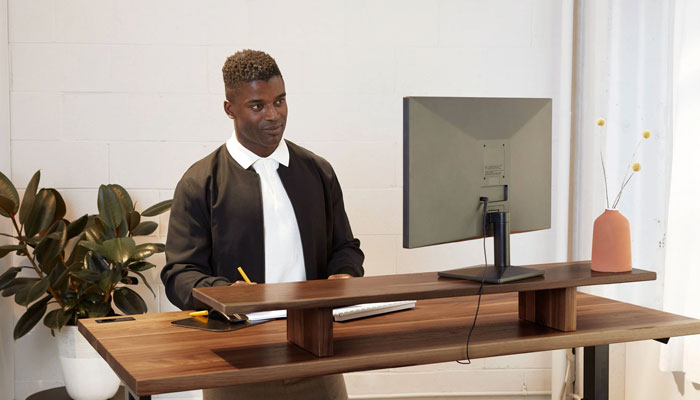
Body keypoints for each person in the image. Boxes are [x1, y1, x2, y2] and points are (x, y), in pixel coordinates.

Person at [161, 49, 364, 399]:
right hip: (237, 365)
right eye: (258, 106)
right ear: (230, 109)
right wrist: (225, 293)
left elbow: (345, 248)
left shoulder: (318, 171)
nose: (274, 115)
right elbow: (179, 274)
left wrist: (342, 279)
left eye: (280, 101)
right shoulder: (200, 183)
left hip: (316, 354)